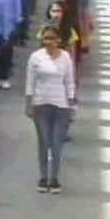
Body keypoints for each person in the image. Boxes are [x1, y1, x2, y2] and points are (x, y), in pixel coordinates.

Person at [25, 24, 75, 194]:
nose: (49, 42)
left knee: (56, 144)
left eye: (52, 38)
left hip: (60, 106)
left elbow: (69, 82)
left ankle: (54, 178)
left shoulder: (66, 57)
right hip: (40, 105)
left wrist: (71, 105)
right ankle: (43, 176)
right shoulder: (35, 58)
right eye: (46, 38)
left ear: (59, 40)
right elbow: (30, 83)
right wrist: (28, 105)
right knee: (43, 142)